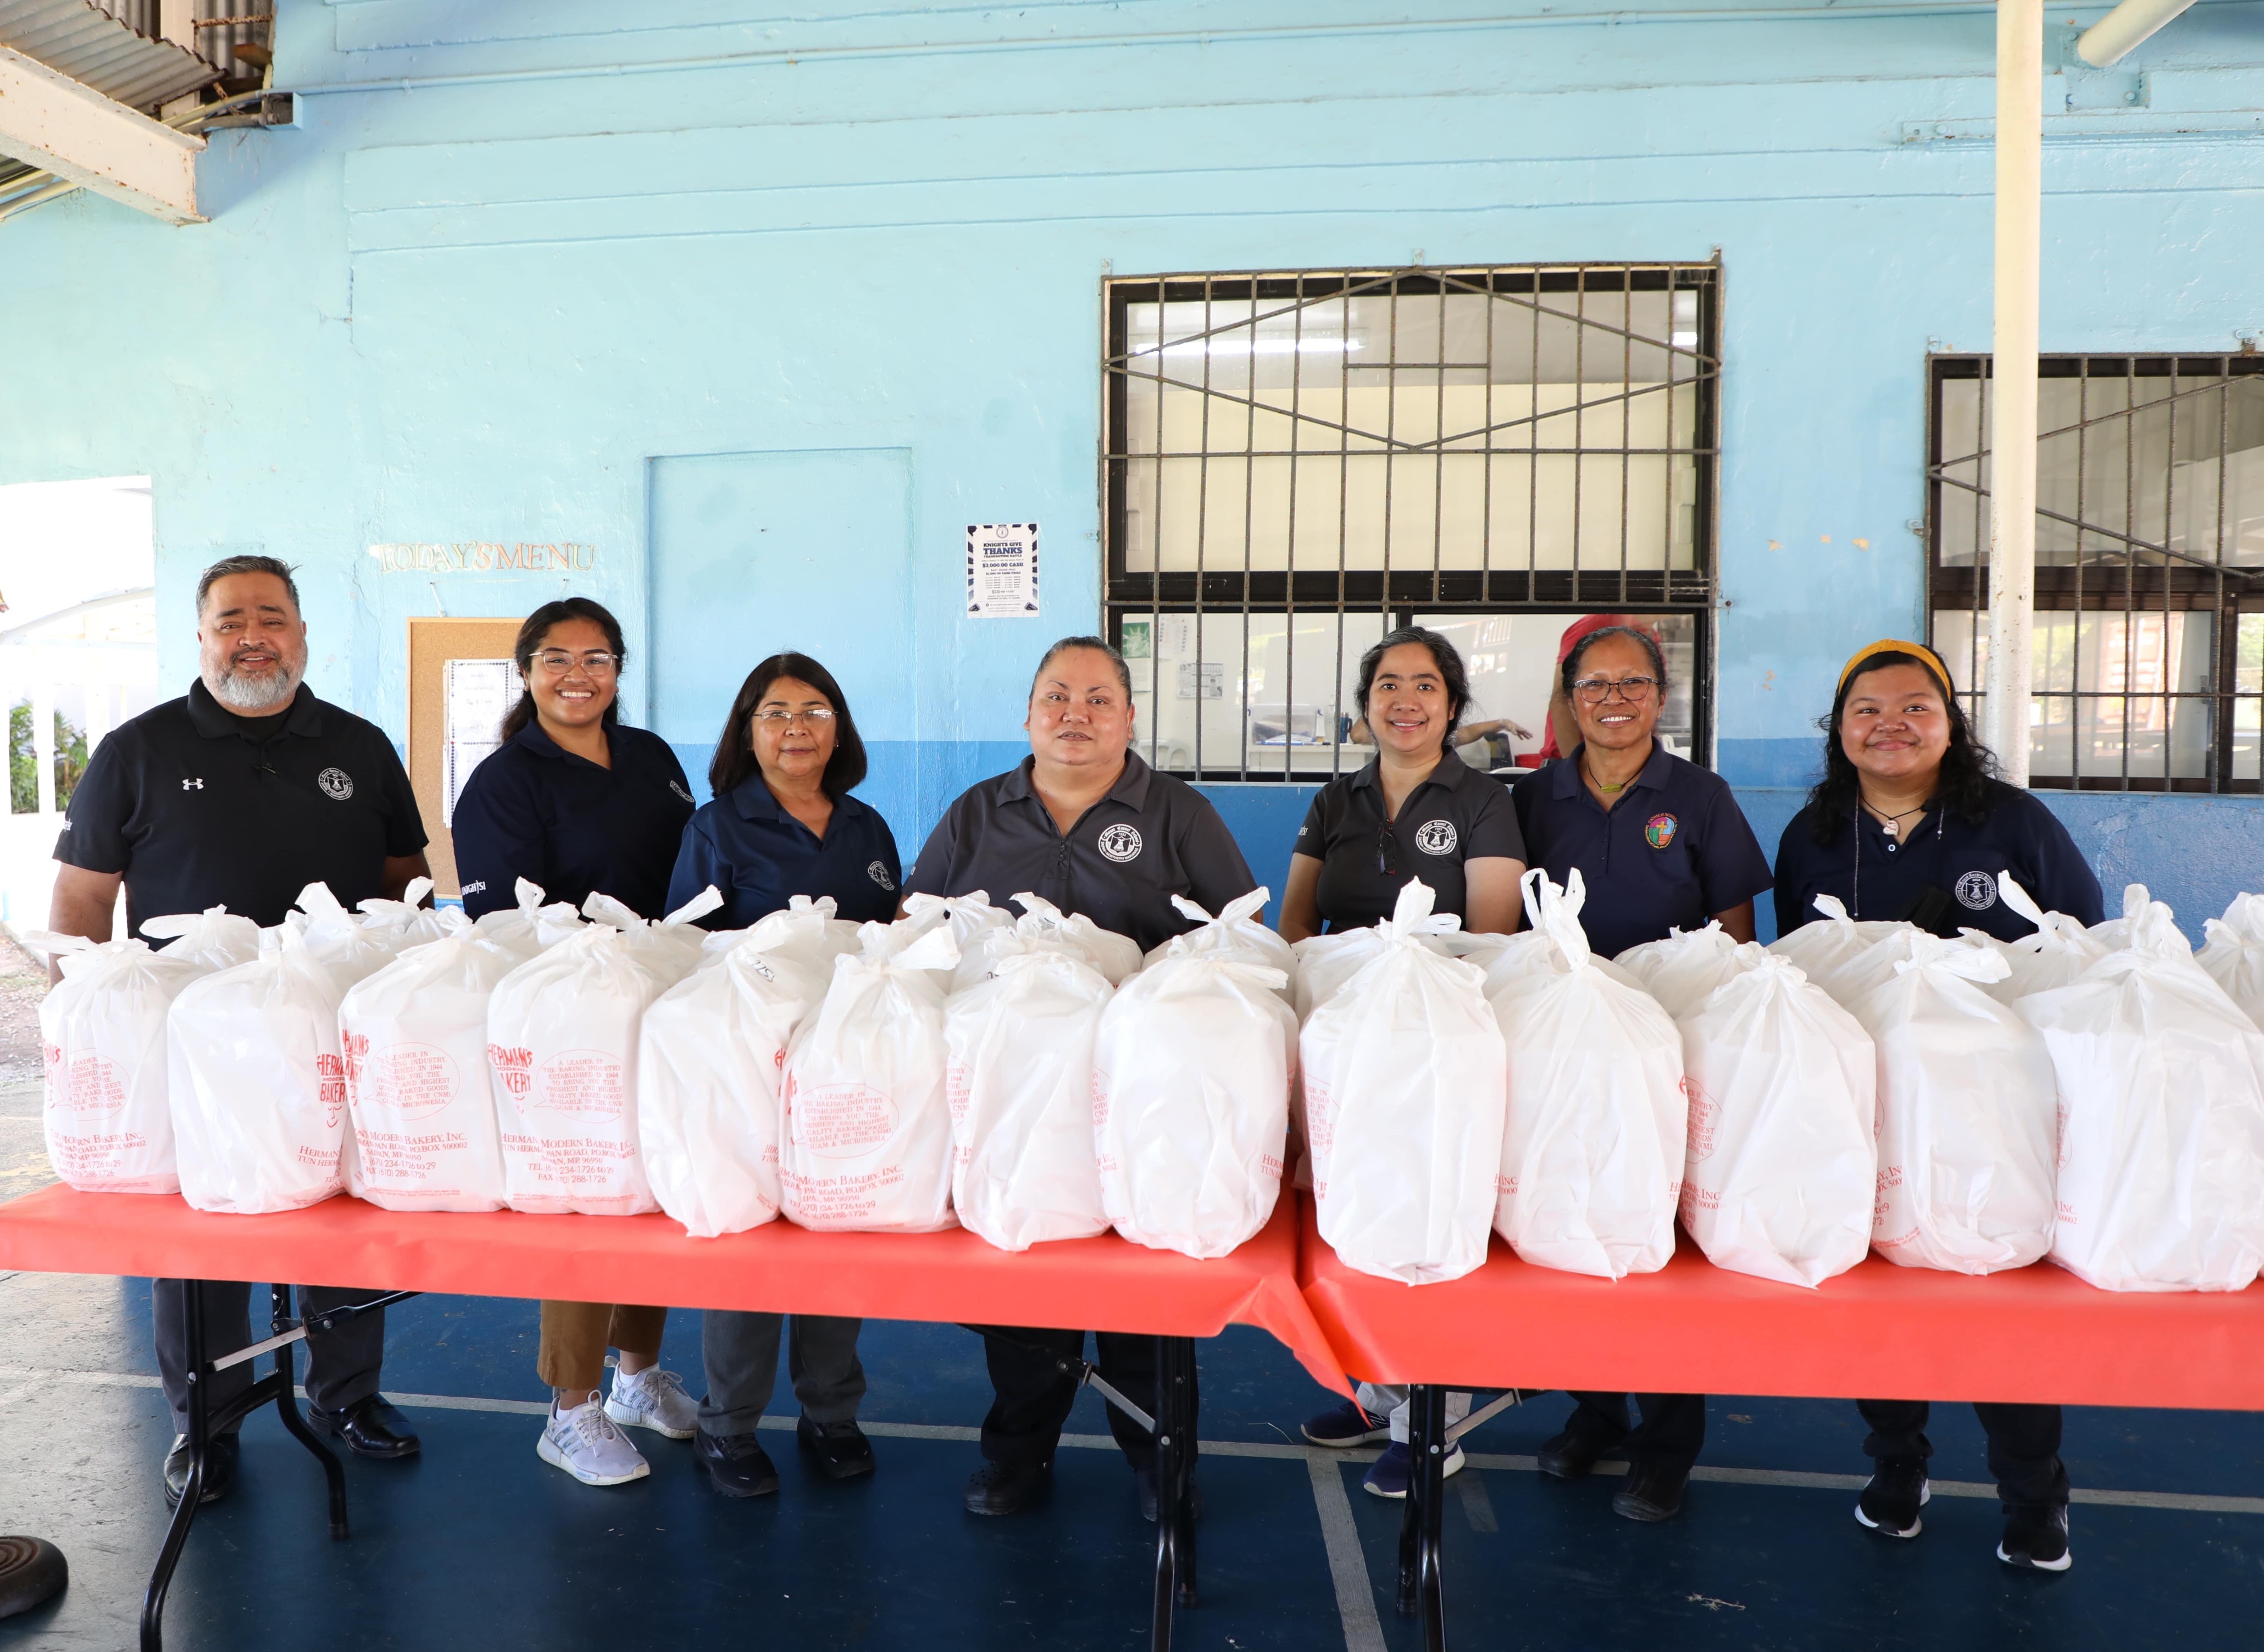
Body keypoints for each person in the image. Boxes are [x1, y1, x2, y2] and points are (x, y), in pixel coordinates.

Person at [47, 555, 431, 1509]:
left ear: (302, 633)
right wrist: (89, 1027)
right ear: (202, 636)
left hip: (328, 1036)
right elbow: (83, 898)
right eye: (230, 620)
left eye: (271, 616)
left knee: (340, 1214)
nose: (252, 636)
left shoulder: (361, 746)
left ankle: (348, 1395)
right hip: (188, 1046)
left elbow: (405, 882)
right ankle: (206, 1424)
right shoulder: (136, 750)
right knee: (198, 1234)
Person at [902, 635, 1258, 1521]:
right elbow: (915, 927)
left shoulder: (1179, 813)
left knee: (1146, 1285)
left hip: (1146, 1095)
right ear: (1028, 715)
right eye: (1057, 696)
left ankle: (1160, 1461)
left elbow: (1237, 940)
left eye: (1099, 699)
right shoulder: (978, 813)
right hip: (1016, 1093)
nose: (1076, 714)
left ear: (1129, 718)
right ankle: (1017, 1454)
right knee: (1025, 1283)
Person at [1773, 639, 2095, 1573]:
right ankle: (1897, 1466)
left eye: (1916, 706)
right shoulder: (1813, 835)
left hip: (1995, 1111)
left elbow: (2081, 942)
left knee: (1998, 1298)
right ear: (1840, 730)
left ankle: (2034, 1494)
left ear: (1951, 723)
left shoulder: (2013, 823)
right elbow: (1796, 966)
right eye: (1867, 709)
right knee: (1881, 1295)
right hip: (1870, 1107)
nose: (1892, 725)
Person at [1510, 622, 1773, 1523]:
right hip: (1568, 1048)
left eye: (1632, 684)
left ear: (1661, 698)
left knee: (1661, 1241)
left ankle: (1666, 1445)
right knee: (1575, 1219)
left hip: (1672, 1049)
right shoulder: (1534, 796)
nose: (1613, 700)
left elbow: (1735, 933)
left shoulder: (1699, 796)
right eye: (1594, 685)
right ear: (1570, 699)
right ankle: (1595, 1413)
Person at [451, 597, 699, 1489]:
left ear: (619, 669)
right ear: (526, 672)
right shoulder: (505, 781)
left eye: (596, 658)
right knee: (583, 1200)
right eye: (556, 658)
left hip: (659, 998)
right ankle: (570, 1408)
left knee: (652, 1184)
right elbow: (503, 924)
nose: (577, 675)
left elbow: (693, 870)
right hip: (565, 1017)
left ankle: (637, 1376)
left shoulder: (652, 759)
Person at [1286, 627, 1527, 1498]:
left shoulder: (1482, 799)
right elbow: (1297, 920)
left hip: (1435, 1042)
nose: (1406, 701)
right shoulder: (1336, 798)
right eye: (1388, 684)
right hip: (1348, 1039)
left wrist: (1409, 994)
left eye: (1426, 685)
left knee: (1428, 1217)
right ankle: (1377, 1392)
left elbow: (1494, 932)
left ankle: (1432, 1421)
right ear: (1365, 706)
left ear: (1453, 706)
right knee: (1357, 1211)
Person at [661, 652, 896, 1498]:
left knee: (836, 1232)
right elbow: (687, 954)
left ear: (839, 728)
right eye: (775, 712)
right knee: (750, 1247)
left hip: (844, 1070)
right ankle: (727, 1425)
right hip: (748, 1074)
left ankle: (831, 1412)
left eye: (814, 710)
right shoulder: (718, 828)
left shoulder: (866, 826)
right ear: (747, 731)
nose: (797, 727)